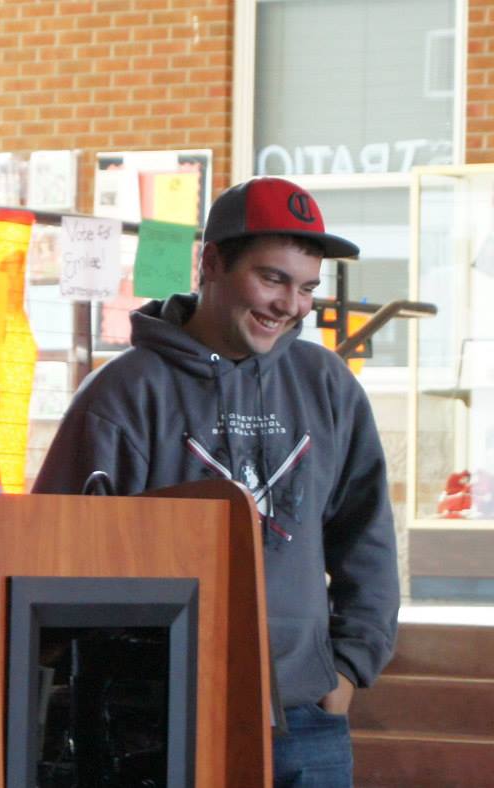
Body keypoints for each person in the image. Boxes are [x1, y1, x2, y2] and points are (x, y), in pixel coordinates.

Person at [33, 177, 399, 787]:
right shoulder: (122, 395)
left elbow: (367, 537)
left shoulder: (327, 384)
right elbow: (53, 559)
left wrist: (348, 669)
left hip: (304, 718)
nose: (291, 305)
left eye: (307, 287)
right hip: (156, 727)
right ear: (211, 264)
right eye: (272, 279)